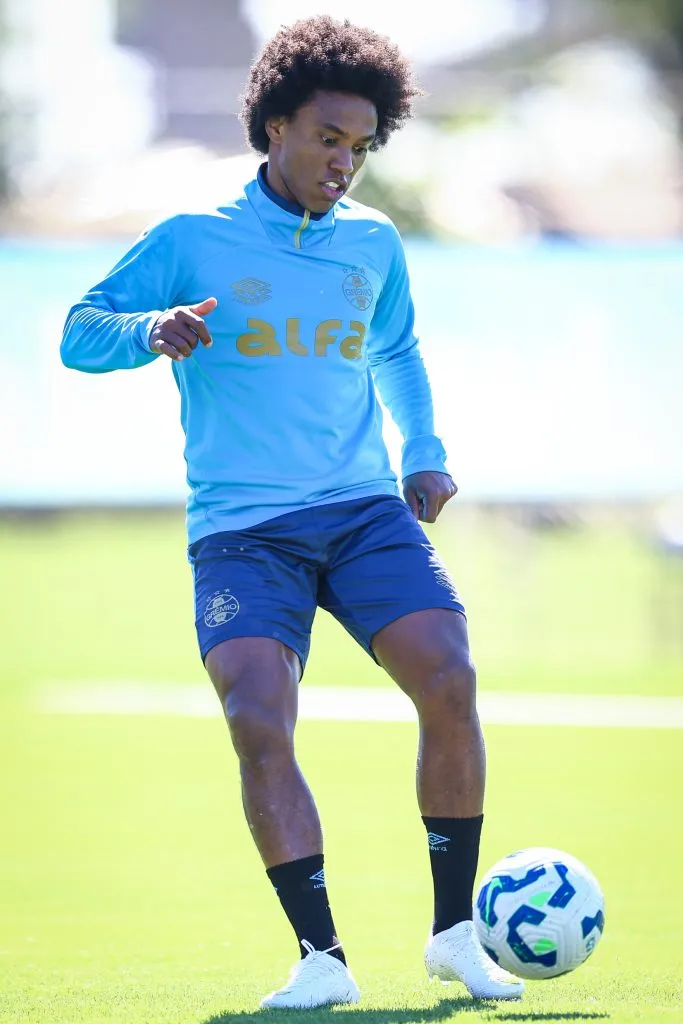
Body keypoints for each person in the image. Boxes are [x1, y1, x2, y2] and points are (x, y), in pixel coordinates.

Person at [60, 15, 523, 1009]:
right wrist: (151, 327)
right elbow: (77, 331)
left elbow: (394, 350)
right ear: (273, 125)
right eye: (326, 138)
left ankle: (452, 935)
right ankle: (320, 958)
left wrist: (425, 454)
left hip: (361, 512)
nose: (343, 162)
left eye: (359, 146)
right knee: (257, 718)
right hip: (242, 534)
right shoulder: (190, 241)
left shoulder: (372, 243)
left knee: (448, 674)